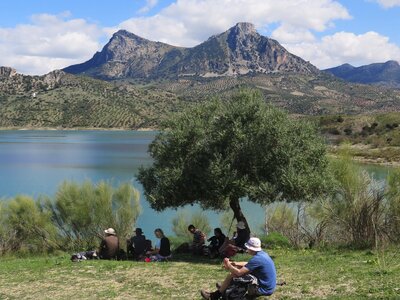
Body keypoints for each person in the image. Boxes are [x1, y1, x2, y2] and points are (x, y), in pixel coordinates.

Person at [201, 237, 276, 300]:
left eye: (247, 248)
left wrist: (229, 265)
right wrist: (234, 263)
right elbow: (248, 264)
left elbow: (239, 272)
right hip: (268, 285)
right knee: (235, 271)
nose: (246, 249)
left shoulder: (257, 259)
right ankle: (225, 288)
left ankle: (215, 295)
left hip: (263, 289)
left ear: (251, 248)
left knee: (235, 274)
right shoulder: (262, 254)